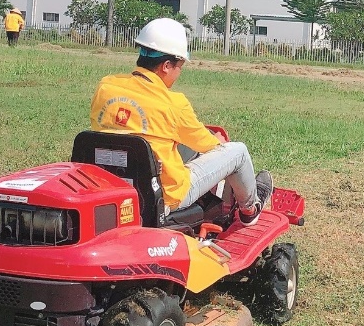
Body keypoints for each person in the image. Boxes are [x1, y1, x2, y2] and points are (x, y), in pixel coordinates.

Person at [89, 17, 272, 223]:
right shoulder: (173, 103)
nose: (179, 73)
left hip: (113, 188)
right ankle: (250, 209)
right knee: (237, 152)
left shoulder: (105, 87)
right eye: (180, 67)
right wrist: (217, 139)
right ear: (167, 65)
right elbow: (208, 145)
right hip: (165, 196)